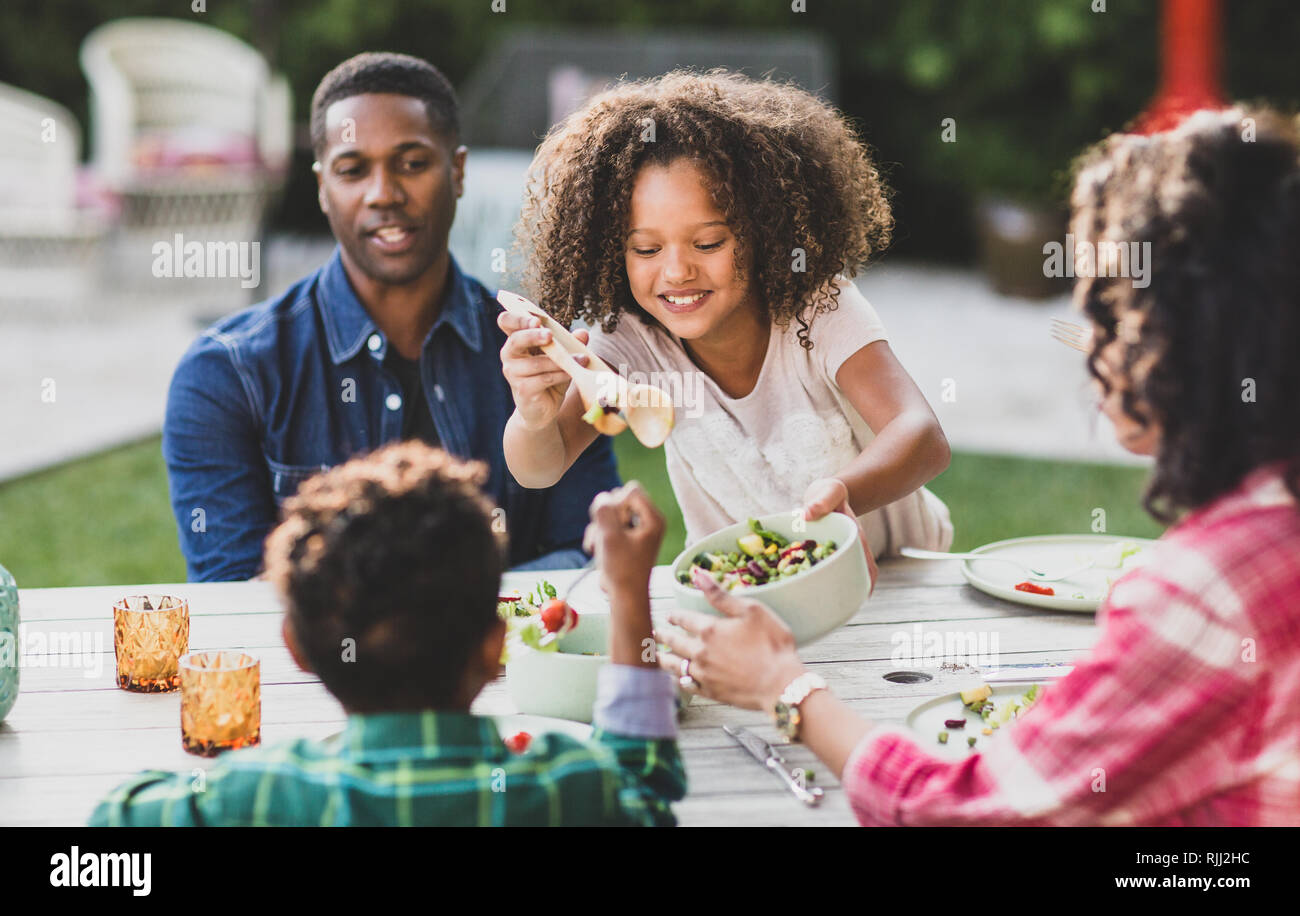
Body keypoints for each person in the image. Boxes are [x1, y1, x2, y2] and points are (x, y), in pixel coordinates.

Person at [653, 107, 1300, 825]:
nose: (1089, 347)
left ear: (1191, 340)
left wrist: (785, 686)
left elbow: (959, 813)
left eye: (1112, 314)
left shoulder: (1205, 593)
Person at [163, 52, 619, 581]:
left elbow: (589, 557)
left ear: (458, 172)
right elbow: (233, 596)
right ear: (321, 188)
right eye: (353, 170)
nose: (384, 194)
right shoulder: (225, 375)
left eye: (412, 163)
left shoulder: (550, 354)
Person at [91, 444, 684, 826]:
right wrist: (629, 594)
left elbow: (111, 823)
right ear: (493, 646)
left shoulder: (265, 796)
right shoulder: (564, 789)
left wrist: (217, 784)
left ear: (297, 650)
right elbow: (645, 786)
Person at [499, 71, 952, 564]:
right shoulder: (631, 345)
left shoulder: (818, 309)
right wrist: (535, 417)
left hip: (898, 573)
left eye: (709, 243)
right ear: (613, 253)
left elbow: (922, 438)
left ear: (763, 228)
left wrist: (841, 494)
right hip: (744, 591)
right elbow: (539, 468)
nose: (676, 271)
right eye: (646, 248)